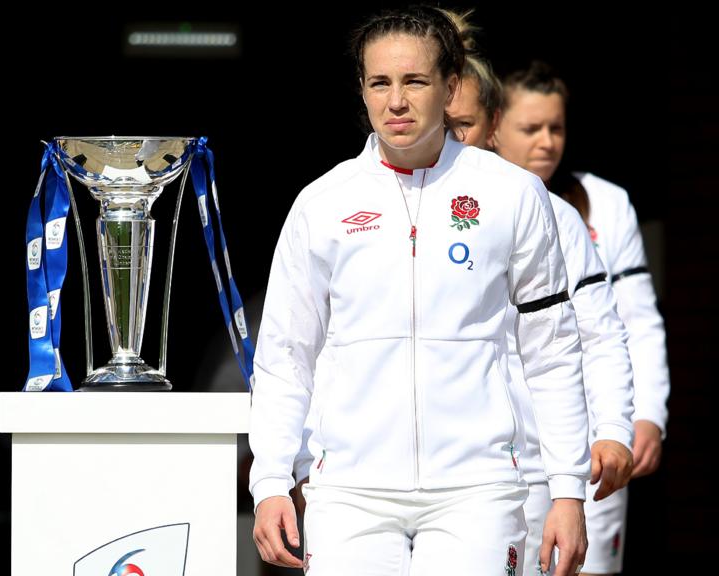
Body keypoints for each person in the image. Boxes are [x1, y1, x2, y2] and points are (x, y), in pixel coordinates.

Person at [249, 6, 591, 576]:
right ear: (361, 91)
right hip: (350, 489)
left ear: (451, 86)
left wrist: (567, 489)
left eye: (415, 81)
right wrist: (271, 481)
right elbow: (286, 354)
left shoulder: (513, 194)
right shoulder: (322, 202)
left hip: (478, 487)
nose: (397, 101)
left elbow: (552, 349)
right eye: (380, 83)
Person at [444, 13, 637, 575]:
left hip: (534, 468)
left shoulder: (552, 215)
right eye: (444, 124)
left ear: (493, 124)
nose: (453, 138)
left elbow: (603, 334)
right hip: (418, 482)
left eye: (465, 124)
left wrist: (614, 429)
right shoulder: (378, 216)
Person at [491, 60, 671, 575]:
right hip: (504, 447)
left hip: (592, 438)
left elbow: (635, 320)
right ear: (495, 126)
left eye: (556, 127)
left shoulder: (607, 204)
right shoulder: (470, 203)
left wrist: (646, 415)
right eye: (531, 128)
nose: (546, 141)